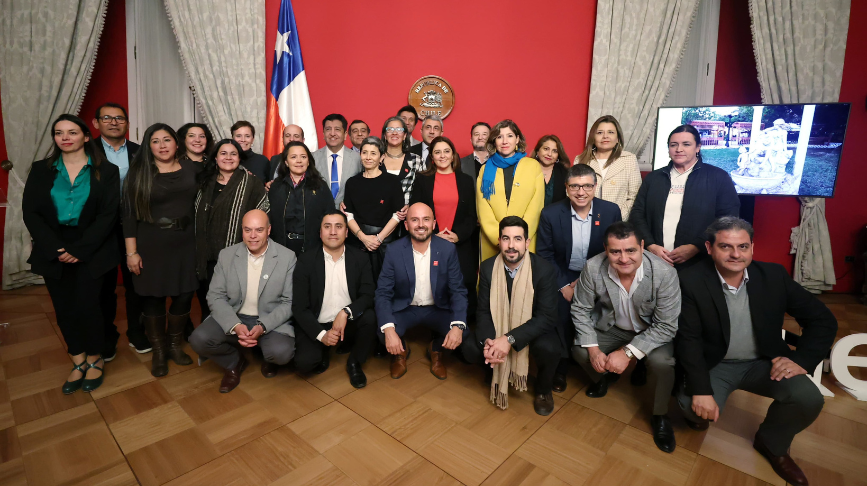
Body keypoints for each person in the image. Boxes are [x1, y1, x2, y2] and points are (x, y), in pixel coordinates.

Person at [677, 217, 835, 485]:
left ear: (752, 247)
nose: (736, 254)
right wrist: (701, 390)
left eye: (743, 247)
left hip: (764, 361)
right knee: (690, 407)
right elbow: (688, 340)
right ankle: (700, 414)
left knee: (809, 399)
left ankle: (772, 443)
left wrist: (802, 360)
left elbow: (822, 320)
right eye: (725, 246)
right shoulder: (689, 280)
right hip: (715, 363)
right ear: (709, 247)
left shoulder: (773, 276)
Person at [23, 114, 120, 394]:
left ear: (86, 136)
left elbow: (108, 215)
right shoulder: (41, 169)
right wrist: (56, 248)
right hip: (52, 246)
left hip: (93, 247)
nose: (65, 137)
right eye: (59, 133)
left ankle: (94, 358)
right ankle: (77, 360)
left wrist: (80, 249)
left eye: (72, 132)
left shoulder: (106, 170)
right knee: (64, 307)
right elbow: (31, 212)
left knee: (89, 306)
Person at [571, 222, 680, 453]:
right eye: (615, 251)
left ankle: (660, 415)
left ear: (642, 246)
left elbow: (666, 326)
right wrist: (593, 350)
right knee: (580, 349)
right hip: (612, 328)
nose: (623, 259)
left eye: (630, 250)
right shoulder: (593, 267)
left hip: (651, 330)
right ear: (605, 249)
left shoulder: (665, 273)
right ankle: (603, 378)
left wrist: (628, 352)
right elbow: (580, 308)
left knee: (662, 363)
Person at [189, 210, 297, 392]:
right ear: (242, 231)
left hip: (269, 318)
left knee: (281, 353)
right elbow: (215, 296)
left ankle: (267, 357)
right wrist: (235, 326)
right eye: (247, 230)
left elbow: (289, 302)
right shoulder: (227, 255)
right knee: (198, 340)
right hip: (234, 315)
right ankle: (234, 361)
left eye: (259, 230)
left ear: (269, 230)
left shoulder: (287, 257)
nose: (253, 236)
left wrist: (263, 326)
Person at [123, 123, 200, 377]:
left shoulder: (190, 168)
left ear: (177, 143)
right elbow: (129, 216)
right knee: (153, 298)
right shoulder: (139, 173)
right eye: (155, 141)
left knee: (184, 295)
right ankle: (159, 350)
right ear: (148, 146)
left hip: (187, 244)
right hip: (151, 246)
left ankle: (175, 345)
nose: (162, 145)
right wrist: (131, 253)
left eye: (167, 140)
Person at [462, 216, 560, 416]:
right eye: (506, 239)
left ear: (527, 242)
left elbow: (546, 318)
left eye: (517, 239)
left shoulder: (544, 270)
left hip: (531, 328)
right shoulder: (488, 268)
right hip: (499, 325)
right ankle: (494, 369)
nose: (511, 245)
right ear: (499, 241)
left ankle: (543, 390)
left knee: (550, 348)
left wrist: (509, 339)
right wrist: (490, 341)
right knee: (471, 348)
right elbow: (483, 310)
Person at [537, 163, 621, 392]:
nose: (581, 192)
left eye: (586, 186)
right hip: (563, 275)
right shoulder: (551, 213)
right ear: (566, 188)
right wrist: (564, 284)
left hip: (599, 276)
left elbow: (613, 252)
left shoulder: (611, 211)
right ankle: (561, 368)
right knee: (561, 316)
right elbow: (545, 255)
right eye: (574, 186)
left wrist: (588, 282)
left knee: (600, 315)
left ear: (595, 186)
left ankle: (597, 366)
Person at [375, 203, 469, 380]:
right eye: (414, 220)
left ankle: (436, 349)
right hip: (405, 307)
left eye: (426, 219)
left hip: (437, 308)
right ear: (406, 225)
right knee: (381, 330)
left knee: (463, 329)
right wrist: (389, 331)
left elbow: (458, 291)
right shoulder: (394, 250)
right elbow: (383, 292)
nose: (420, 225)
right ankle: (401, 351)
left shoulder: (447, 249)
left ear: (434, 224)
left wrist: (457, 326)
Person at [630, 124, 740, 270]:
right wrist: (650, 245)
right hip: (654, 260)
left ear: (698, 147)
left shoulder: (718, 177)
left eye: (686, 144)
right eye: (673, 145)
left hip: (699, 263)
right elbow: (637, 214)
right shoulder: (653, 178)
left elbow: (728, 218)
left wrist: (696, 246)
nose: (679, 149)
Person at [292, 211, 377, 388]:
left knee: (370, 317)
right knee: (304, 364)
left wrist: (346, 312)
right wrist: (322, 335)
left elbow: (368, 294)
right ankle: (325, 347)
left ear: (346, 232)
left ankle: (354, 362)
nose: (333, 232)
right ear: (320, 232)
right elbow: (299, 308)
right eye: (327, 226)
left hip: (348, 321)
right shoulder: (305, 260)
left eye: (338, 226)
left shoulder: (360, 258)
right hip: (319, 323)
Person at [92, 103, 147, 357]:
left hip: (134, 226)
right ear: (96, 123)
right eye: (107, 118)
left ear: (127, 122)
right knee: (104, 285)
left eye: (119, 118)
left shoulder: (139, 152)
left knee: (136, 283)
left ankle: (137, 332)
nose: (114, 122)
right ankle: (106, 337)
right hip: (99, 229)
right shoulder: (85, 151)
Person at [194, 139, 269, 324]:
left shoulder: (251, 182)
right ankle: (209, 338)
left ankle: (233, 339)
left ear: (240, 157)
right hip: (205, 254)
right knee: (208, 299)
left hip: (237, 254)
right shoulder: (205, 181)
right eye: (223, 153)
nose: (228, 157)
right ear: (216, 157)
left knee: (233, 303)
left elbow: (263, 212)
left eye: (233, 154)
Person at [409, 136, 477, 319]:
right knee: (436, 286)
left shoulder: (466, 180)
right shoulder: (422, 180)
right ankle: (438, 330)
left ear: (453, 154)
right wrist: (433, 234)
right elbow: (416, 212)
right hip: (431, 241)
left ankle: (464, 328)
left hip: (459, 242)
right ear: (431, 156)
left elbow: (472, 216)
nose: (442, 156)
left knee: (464, 285)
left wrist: (457, 235)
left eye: (446, 151)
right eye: (437, 152)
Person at [477, 119, 545, 261]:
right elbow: (483, 208)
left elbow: (536, 205)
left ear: (517, 139)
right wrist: (501, 239)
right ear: (494, 141)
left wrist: (520, 238)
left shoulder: (533, 166)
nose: (504, 141)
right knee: (493, 280)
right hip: (494, 241)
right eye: (499, 137)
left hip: (525, 241)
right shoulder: (485, 169)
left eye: (509, 136)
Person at [343, 136, 406, 281]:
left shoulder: (392, 182)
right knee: (359, 284)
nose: (368, 157)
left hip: (385, 243)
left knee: (385, 285)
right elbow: (349, 215)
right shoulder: (352, 183)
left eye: (373, 153)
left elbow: (397, 215)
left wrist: (378, 238)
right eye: (364, 152)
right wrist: (363, 238)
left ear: (381, 157)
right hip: (358, 242)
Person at [268, 141, 335, 255]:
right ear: (286, 162)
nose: (299, 161)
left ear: (308, 161)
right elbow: (269, 218)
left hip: (313, 248)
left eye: (303, 157)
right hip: (281, 248)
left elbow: (330, 215)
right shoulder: (276, 186)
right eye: (293, 157)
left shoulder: (320, 186)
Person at [575, 115, 641, 220]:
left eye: (611, 132)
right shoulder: (580, 160)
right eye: (600, 132)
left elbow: (634, 197)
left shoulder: (629, 159)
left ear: (618, 138)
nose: (605, 136)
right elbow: (572, 192)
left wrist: (617, 217)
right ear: (593, 138)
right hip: (586, 220)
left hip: (618, 223)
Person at [312, 114, 362, 208]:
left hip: (348, 216)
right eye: (328, 129)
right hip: (319, 216)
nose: (332, 133)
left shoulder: (357, 159)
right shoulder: (312, 158)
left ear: (345, 134)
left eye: (337, 129)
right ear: (323, 134)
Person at [380, 117, 423, 205]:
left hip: (408, 214)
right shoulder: (376, 159)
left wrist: (411, 207)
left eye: (399, 129)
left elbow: (423, 191)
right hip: (379, 213)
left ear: (404, 135)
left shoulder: (416, 160)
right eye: (390, 129)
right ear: (385, 135)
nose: (394, 133)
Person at [531, 135, 570, 207]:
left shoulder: (565, 174)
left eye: (554, 151)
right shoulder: (527, 170)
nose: (549, 154)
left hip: (555, 217)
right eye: (546, 149)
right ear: (537, 151)